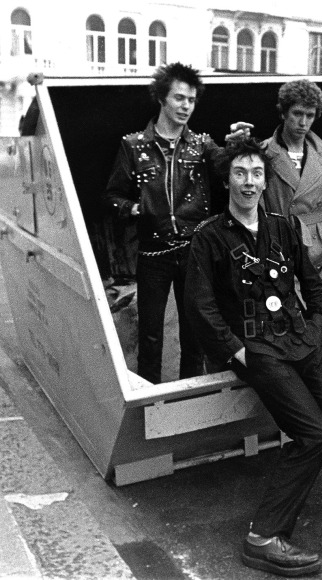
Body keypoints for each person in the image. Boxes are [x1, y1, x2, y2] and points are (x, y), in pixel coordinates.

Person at [185, 138, 322, 577]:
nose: (249, 182)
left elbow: (313, 283)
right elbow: (200, 307)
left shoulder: (282, 226)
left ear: (265, 180)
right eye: (240, 173)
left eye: (256, 173)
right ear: (227, 181)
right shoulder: (209, 238)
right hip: (260, 352)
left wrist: (317, 324)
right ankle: (263, 537)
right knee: (314, 435)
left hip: (302, 340)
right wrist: (238, 352)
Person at [102, 62, 222, 384]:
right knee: (150, 337)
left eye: (192, 100)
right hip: (153, 254)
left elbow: (228, 173)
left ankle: (192, 398)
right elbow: (111, 195)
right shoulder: (134, 145)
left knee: (193, 334)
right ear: (161, 98)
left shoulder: (202, 145)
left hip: (194, 252)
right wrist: (134, 209)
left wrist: (238, 145)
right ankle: (151, 402)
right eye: (179, 98)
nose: (186, 106)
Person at [259, 79, 322, 279]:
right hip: (279, 244)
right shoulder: (263, 152)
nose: (303, 122)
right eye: (297, 113)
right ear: (283, 113)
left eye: (310, 115)